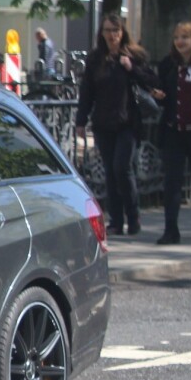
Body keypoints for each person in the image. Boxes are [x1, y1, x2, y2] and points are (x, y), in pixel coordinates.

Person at [75, 13, 158, 236]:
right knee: (111, 172)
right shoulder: (95, 60)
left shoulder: (134, 56)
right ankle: (116, 220)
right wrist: (80, 121)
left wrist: (131, 68)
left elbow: (151, 81)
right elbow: (87, 93)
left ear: (123, 32)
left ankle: (134, 216)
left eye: (116, 30)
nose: (112, 35)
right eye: (108, 30)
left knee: (123, 168)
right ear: (101, 33)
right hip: (103, 123)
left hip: (128, 122)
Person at [149, 21, 191, 244]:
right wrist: (159, 96)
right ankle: (171, 230)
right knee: (172, 181)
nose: (179, 42)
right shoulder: (169, 64)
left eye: (184, 37)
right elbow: (164, 93)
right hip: (174, 131)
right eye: (177, 37)